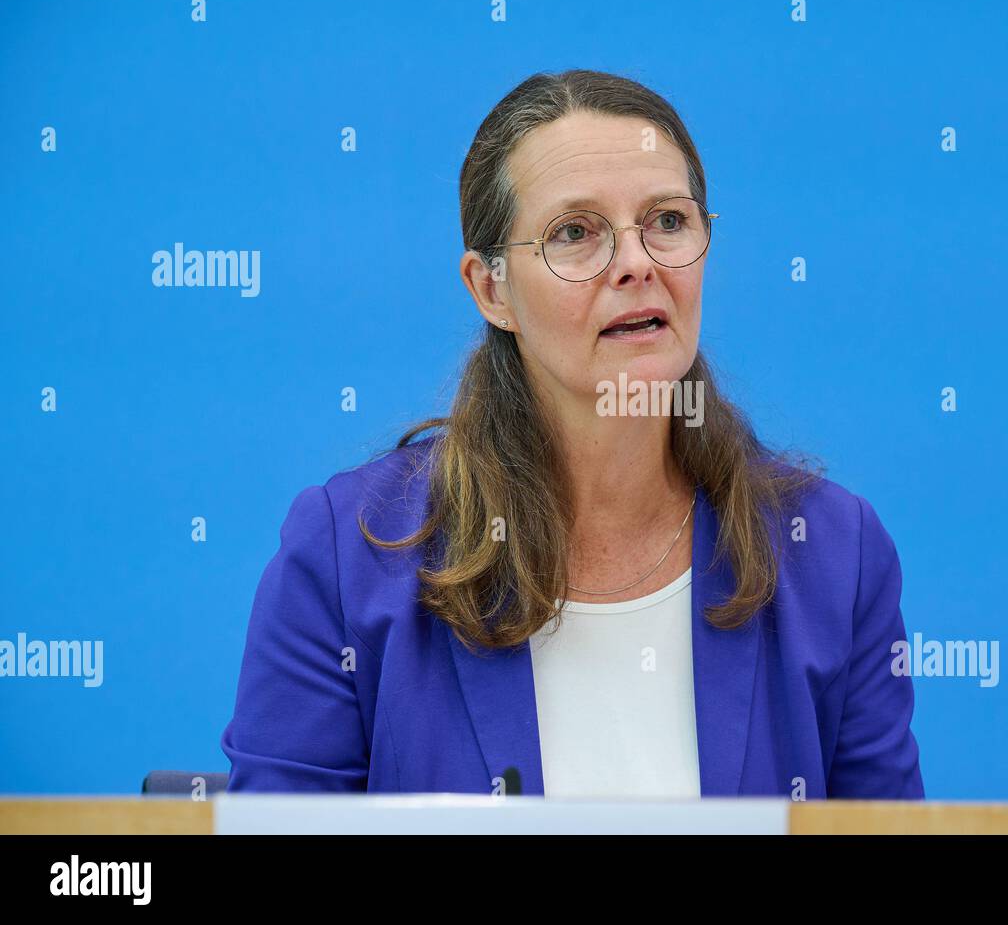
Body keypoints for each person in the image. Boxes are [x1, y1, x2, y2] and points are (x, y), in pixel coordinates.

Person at [220, 68, 925, 800]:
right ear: (492, 289)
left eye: (668, 221)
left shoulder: (832, 552)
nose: (637, 264)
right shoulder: (348, 555)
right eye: (576, 233)